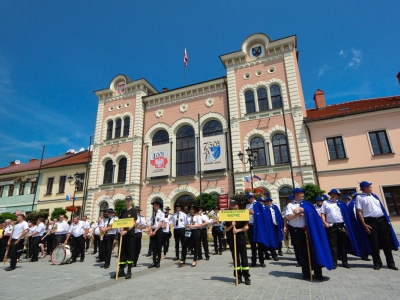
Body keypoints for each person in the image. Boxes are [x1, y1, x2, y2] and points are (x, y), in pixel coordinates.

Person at [285, 188, 333, 280]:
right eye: (300, 193)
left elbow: (314, 214)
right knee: (303, 252)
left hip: (310, 229)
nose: (303, 194)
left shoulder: (308, 204)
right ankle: (306, 273)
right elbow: (290, 217)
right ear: (295, 195)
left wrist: (303, 210)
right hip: (298, 231)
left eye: (303, 193)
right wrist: (299, 214)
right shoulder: (290, 205)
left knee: (314, 249)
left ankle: (318, 273)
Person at [355, 181, 399, 271]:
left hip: (381, 220)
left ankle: (391, 263)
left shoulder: (374, 196)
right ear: (365, 188)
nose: (371, 187)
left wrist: (386, 221)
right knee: (374, 243)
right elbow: (359, 212)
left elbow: (381, 208)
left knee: (386, 242)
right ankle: (377, 263)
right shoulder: (359, 197)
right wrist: (364, 224)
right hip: (370, 221)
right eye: (369, 186)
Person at [321, 189, 350, 269]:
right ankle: (334, 262)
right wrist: (325, 222)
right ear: (330, 195)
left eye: (335, 194)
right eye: (332, 194)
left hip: (341, 225)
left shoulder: (341, 203)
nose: (333, 196)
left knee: (343, 244)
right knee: (333, 244)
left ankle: (345, 261)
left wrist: (346, 226)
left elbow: (346, 215)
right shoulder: (326, 203)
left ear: (338, 195)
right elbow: (323, 213)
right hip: (331, 225)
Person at [225, 199, 251, 285]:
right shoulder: (228, 215)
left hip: (241, 238)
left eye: (234, 205)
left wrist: (238, 230)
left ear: (237, 205)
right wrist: (231, 226)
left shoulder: (242, 214)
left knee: (244, 258)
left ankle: (246, 277)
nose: (233, 206)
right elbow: (226, 229)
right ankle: (238, 277)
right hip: (232, 239)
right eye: (232, 205)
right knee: (235, 258)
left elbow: (246, 227)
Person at [112, 195, 137, 279]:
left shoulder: (133, 211)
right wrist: (121, 230)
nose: (128, 202)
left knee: (130, 252)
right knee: (122, 252)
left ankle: (129, 271)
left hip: (130, 235)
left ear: (131, 201)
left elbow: (133, 222)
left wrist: (127, 231)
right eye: (126, 200)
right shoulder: (123, 211)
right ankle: (121, 270)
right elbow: (120, 222)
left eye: (129, 200)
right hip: (123, 235)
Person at [148, 198, 165, 268]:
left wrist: (155, 231)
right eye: (153, 205)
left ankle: (158, 261)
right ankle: (154, 261)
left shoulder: (161, 213)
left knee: (158, 246)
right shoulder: (153, 214)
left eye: (154, 205)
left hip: (158, 231)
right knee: (153, 247)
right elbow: (150, 223)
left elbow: (161, 223)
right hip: (153, 230)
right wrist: (151, 231)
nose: (153, 206)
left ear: (158, 205)